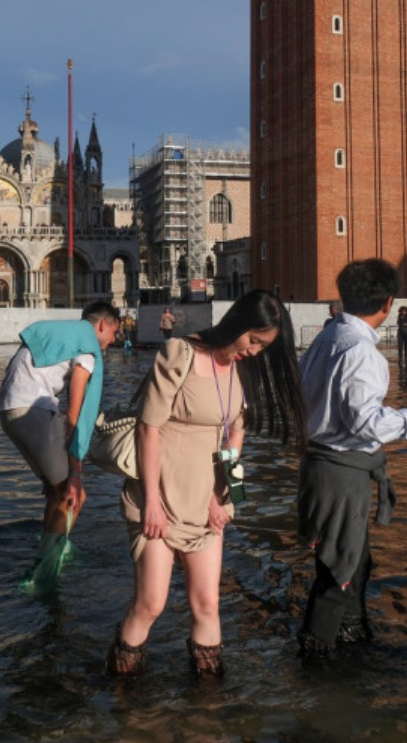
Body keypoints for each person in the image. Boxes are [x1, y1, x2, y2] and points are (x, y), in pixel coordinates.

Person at [107, 290, 308, 678]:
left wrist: (228, 497)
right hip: (159, 496)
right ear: (237, 324)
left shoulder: (240, 368)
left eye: (263, 347)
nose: (254, 351)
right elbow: (149, 428)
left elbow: (235, 435)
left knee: (207, 605)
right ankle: (123, 697)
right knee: (151, 603)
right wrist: (151, 502)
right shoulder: (180, 354)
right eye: (253, 340)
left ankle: (209, 709)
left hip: (206, 501)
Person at [296, 259, 407, 660]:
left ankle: (350, 634)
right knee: (339, 570)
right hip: (341, 471)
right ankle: (317, 657)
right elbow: (365, 422)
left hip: (322, 465)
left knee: (353, 561)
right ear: (388, 303)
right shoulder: (362, 350)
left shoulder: (326, 337)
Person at [0, 302, 122, 583]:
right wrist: (77, 472)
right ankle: (44, 571)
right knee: (74, 496)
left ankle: (52, 545)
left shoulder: (62, 334)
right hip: (33, 411)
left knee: (57, 493)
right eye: (115, 331)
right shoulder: (87, 348)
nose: (114, 340)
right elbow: (75, 413)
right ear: (102, 325)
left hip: (9, 410)